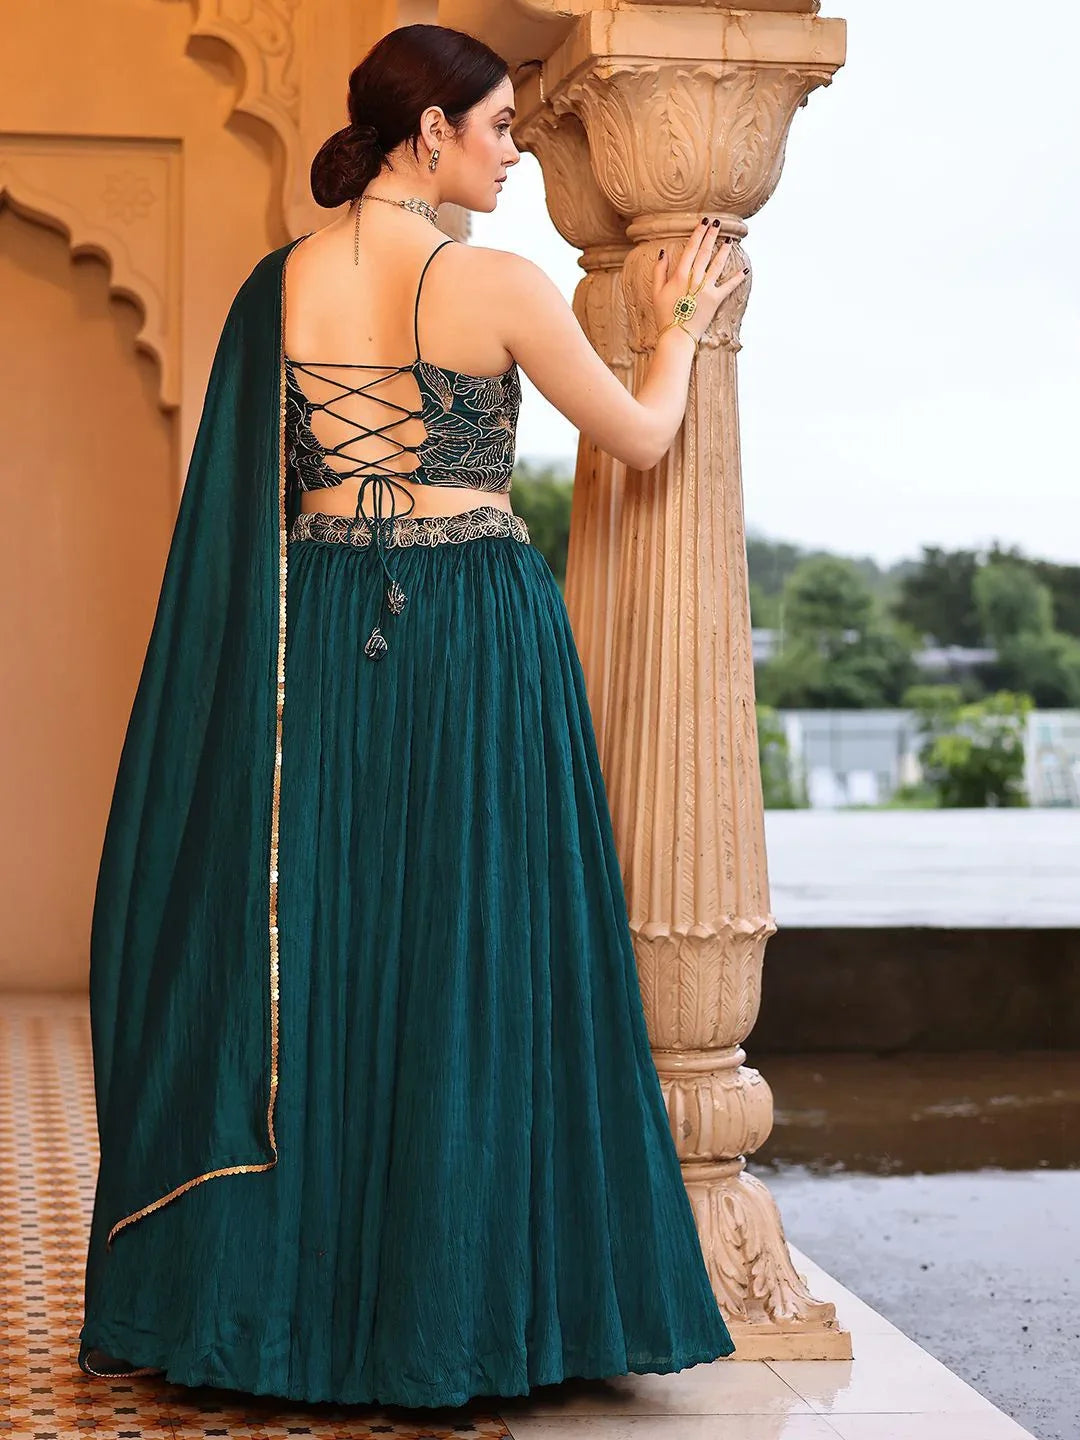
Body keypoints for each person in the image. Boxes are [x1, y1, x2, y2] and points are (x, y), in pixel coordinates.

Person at [77, 21, 748, 1411]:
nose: (514, 151)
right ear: (428, 130)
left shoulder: (281, 287)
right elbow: (637, 436)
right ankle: (458, 1315)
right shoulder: (493, 282)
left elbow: (243, 516)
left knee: (320, 949)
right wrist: (680, 334)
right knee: (472, 946)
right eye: (501, 126)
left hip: (323, 629)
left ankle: (291, 1316)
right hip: (475, 630)